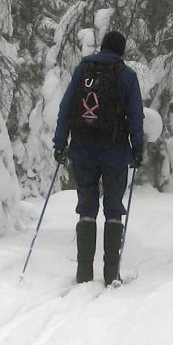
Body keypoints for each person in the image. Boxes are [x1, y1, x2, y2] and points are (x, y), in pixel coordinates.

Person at [53, 30, 144, 285]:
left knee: (87, 208)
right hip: (114, 152)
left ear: (102, 47)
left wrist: (60, 143)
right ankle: (111, 274)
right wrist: (138, 150)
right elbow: (136, 117)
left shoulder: (84, 71)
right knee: (113, 209)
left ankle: (83, 273)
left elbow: (67, 108)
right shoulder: (126, 76)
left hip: (82, 149)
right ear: (122, 51)